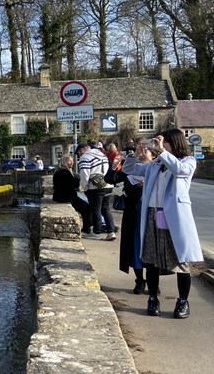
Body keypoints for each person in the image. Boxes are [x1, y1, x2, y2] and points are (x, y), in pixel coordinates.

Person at [129, 129, 203, 319]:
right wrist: (135, 154)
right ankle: (152, 299)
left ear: (173, 143)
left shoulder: (188, 161)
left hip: (175, 217)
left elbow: (179, 170)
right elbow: (131, 169)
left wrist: (162, 152)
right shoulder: (156, 165)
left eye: (163, 142)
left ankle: (183, 301)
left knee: (180, 260)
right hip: (153, 214)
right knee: (152, 259)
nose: (158, 145)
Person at [105, 147, 156, 294]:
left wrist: (145, 185)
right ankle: (139, 280)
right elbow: (110, 179)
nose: (141, 155)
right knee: (134, 247)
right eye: (139, 153)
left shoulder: (157, 170)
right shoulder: (131, 169)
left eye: (145, 153)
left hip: (152, 215)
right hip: (133, 214)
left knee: (152, 246)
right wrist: (114, 166)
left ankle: (154, 281)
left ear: (153, 157)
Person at [76, 143, 117, 240]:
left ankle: (97, 233)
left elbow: (85, 174)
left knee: (96, 209)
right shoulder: (102, 155)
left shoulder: (85, 157)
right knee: (106, 209)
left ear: (82, 150)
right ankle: (111, 232)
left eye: (78, 153)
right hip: (108, 185)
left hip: (95, 187)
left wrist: (85, 187)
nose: (79, 155)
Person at [53, 154, 92, 236]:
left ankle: (87, 228)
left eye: (72, 161)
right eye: (70, 161)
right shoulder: (65, 172)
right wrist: (78, 179)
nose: (72, 163)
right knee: (87, 208)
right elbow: (75, 185)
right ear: (65, 162)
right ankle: (86, 229)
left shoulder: (58, 171)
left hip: (60, 196)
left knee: (85, 207)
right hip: (67, 197)